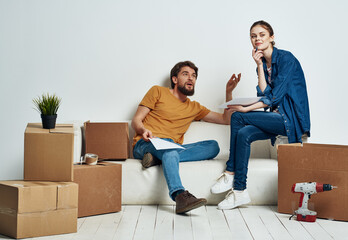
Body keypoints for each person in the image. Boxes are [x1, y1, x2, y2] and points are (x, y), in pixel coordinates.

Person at [211, 20, 311, 210]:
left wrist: (246, 109)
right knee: (244, 134)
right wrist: (258, 65)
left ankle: (231, 171)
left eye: (262, 35)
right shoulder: (263, 64)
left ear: (272, 38)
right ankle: (240, 192)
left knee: (238, 116)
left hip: (290, 120)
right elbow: (264, 94)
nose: (257, 39)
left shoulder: (286, 59)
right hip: (276, 117)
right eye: (253, 36)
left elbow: (273, 97)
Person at [131, 61, 241, 214]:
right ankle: (180, 196)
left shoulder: (194, 107)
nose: (191, 78)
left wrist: (228, 93)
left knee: (213, 146)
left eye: (194, 76)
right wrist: (143, 131)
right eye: (185, 74)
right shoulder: (157, 91)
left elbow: (226, 120)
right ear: (175, 79)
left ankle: (158, 159)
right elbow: (136, 120)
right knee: (170, 148)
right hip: (146, 144)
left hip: (170, 148)